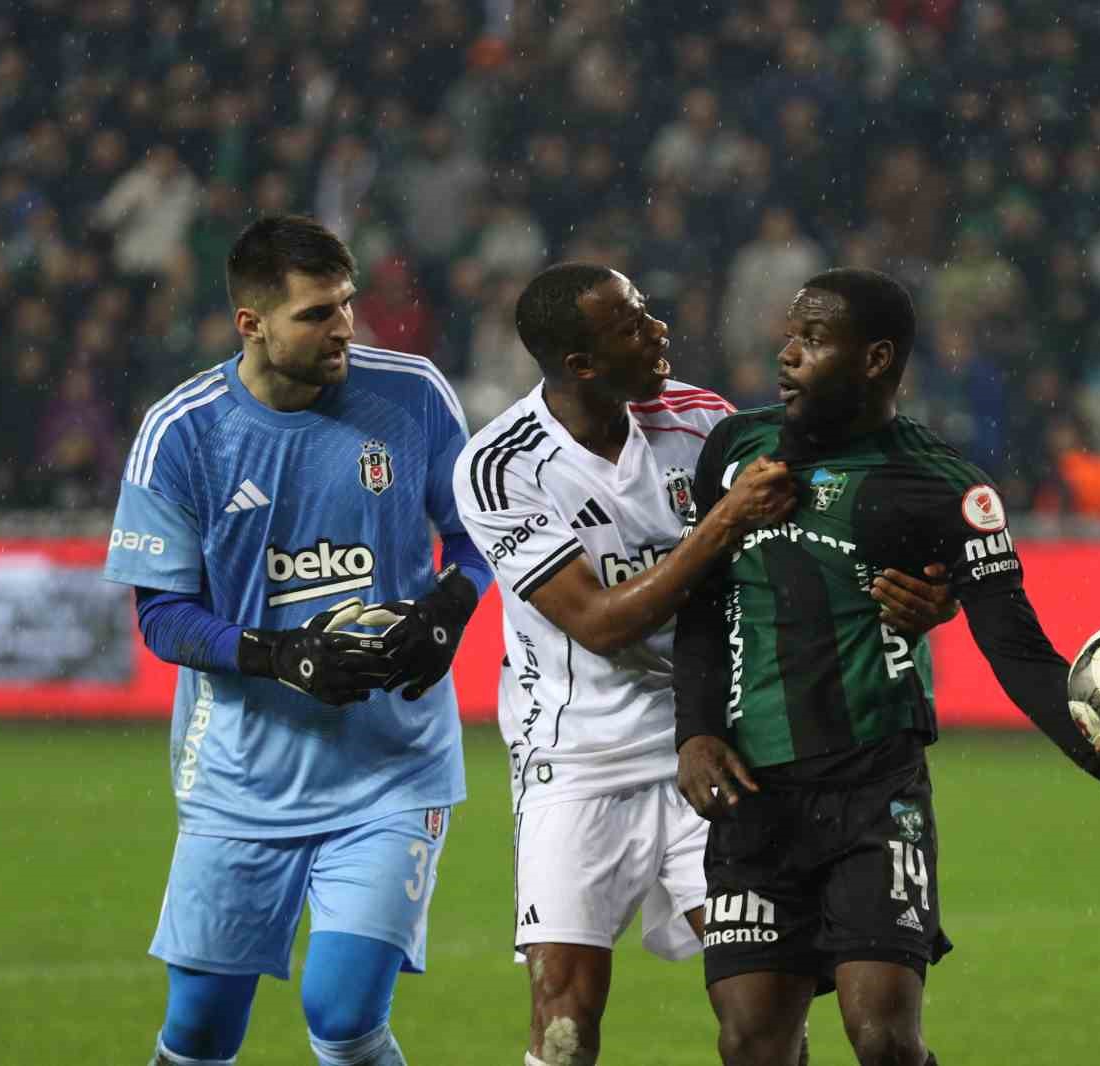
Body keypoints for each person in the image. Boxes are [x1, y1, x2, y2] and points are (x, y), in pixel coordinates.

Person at [674, 268, 1100, 1066]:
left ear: (876, 359)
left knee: (883, 1037)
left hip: (875, 790)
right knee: (751, 1043)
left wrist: (1098, 752)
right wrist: (696, 733)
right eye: (790, 336)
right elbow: (702, 604)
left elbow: (1015, 646)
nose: (787, 354)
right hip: (754, 792)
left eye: (813, 339)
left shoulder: (946, 488)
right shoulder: (735, 449)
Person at [452, 262, 955, 1066]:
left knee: (763, 1022)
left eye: (647, 310)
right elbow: (601, 624)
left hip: (719, 746)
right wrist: (720, 522)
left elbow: (817, 552)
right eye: (631, 327)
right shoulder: (500, 464)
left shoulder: (704, 422)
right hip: (577, 759)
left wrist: (928, 594)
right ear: (581, 364)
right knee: (564, 1023)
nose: (659, 331)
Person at [104, 213, 493, 1066]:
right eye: (317, 314)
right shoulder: (183, 433)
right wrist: (276, 656)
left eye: (346, 303)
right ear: (252, 324)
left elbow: (477, 537)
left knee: (344, 1014)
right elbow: (163, 615)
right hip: (242, 776)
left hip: (392, 767)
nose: (344, 326)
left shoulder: (413, 395)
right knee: (201, 1029)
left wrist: (448, 610)